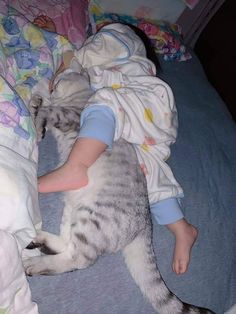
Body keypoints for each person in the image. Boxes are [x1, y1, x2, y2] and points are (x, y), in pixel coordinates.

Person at [33, 15, 198, 275]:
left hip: (144, 99)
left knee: (104, 101)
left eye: (101, 30)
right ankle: (181, 228)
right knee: (149, 170)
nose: (97, 31)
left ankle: (76, 167)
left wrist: (64, 44)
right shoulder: (113, 62)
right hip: (145, 123)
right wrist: (54, 36)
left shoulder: (119, 35)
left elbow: (80, 58)